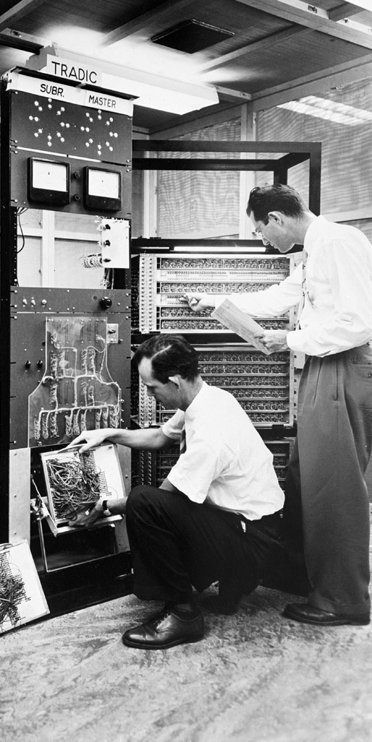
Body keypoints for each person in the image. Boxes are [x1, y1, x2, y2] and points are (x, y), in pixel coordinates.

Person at [185, 183, 372, 627]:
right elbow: (278, 297)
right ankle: (306, 577)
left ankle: (344, 599)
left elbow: (359, 322)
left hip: (341, 366)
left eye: (260, 230)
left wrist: (289, 339)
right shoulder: (314, 251)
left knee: (335, 488)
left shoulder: (339, 242)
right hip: (322, 366)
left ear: (276, 218)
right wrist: (215, 302)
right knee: (306, 477)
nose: (263, 240)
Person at [68, 334, 286, 650]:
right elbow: (160, 437)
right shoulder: (207, 398)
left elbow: (162, 500)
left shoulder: (211, 433)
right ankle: (231, 587)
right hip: (252, 527)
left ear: (174, 381)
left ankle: (183, 613)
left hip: (252, 543)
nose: (149, 394)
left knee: (144, 502)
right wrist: (108, 434)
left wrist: (104, 506)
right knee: (154, 504)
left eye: (151, 388)